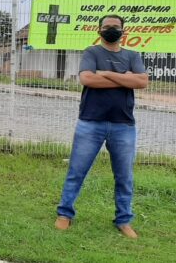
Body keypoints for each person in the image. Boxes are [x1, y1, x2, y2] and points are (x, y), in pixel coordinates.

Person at [55, 14, 148, 239]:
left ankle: (123, 220)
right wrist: (124, 78)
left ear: (123, 31)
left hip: (123, 125)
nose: (111, 29)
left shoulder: (133, 55)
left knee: (124, 176)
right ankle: (65, 213)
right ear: (99, 30)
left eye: (115, 26)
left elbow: (142, 81)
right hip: (90, 122)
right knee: (77, 171)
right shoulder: (92, 52)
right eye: (107, 26)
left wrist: (105, 73)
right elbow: (87, 79)